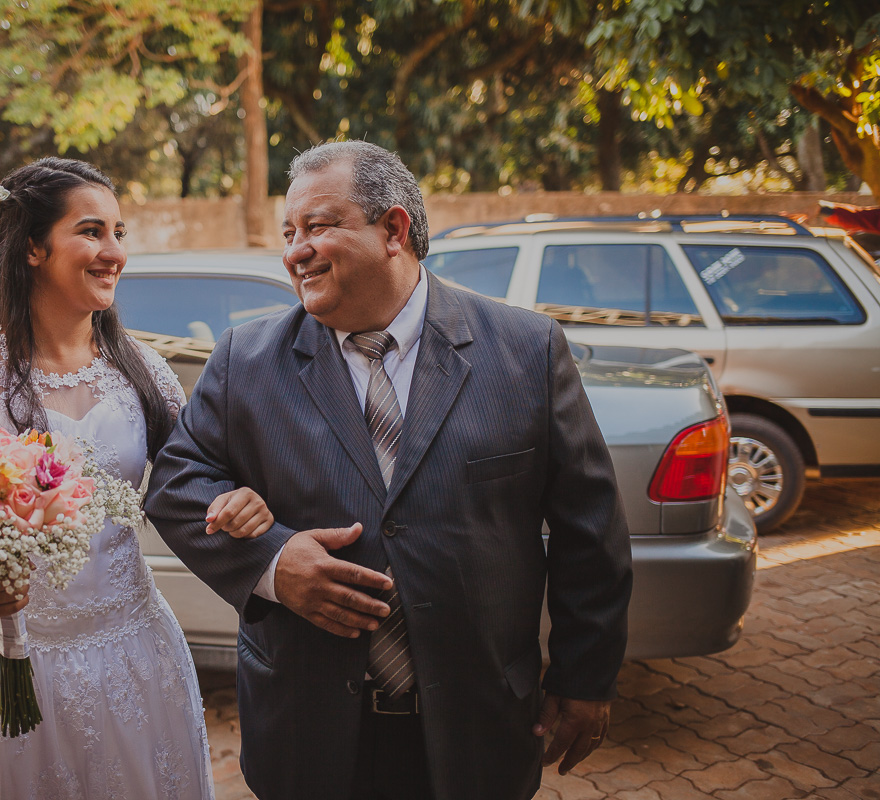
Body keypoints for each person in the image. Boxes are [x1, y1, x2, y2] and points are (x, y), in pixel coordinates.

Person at [145, 141, 633, 800]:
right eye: (289, 233)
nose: (295, 250)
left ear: (394, 229)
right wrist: (271, 562)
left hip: (476, 727)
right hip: (307, 732)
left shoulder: (527, 352)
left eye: (318, 226)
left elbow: (590, 532)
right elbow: (177, 484)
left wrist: (584, 679)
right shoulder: (247, 360)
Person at [0, 157, 271, 799]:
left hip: (131, 653)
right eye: (92, 232)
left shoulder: (144, 373)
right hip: (4, 660)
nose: (113, 252)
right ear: (35, 247)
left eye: (119, 233)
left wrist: (237, 501)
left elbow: (190, 484)